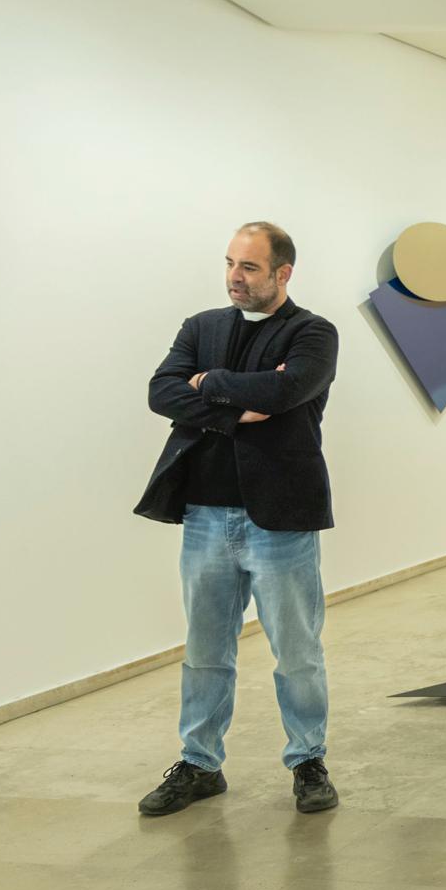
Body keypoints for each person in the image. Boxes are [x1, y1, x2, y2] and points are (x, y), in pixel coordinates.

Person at [134, 221, 340, 816]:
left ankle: (308, 761)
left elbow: (285, 393)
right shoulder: (201, 327)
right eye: (230, 263)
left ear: (283, 272)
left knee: (296, 653)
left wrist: (210, 384)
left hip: (281, 519)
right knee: (205, 651)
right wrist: (234, 408)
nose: (235, 277)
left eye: (249, 267)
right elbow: (161, 392)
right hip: (205, 513)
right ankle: (199, 765)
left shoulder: (313, 332)